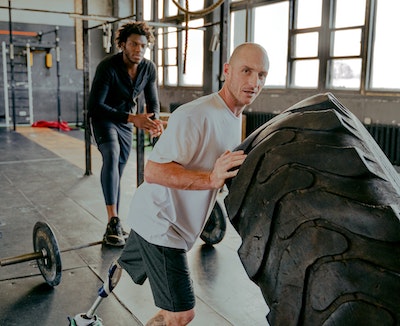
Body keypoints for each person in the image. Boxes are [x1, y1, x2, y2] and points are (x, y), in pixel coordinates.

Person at [116, 42, 270, 326]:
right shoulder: (195, 114)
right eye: (246, 71)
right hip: (161, 223)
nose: (254, 82)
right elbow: (153, 172)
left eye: (261, 74)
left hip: (176, 223)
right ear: (227, 71)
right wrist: (211, 179)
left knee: (164, 309)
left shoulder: (235, 117)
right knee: (181, 313)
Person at [88, 21, 164, 247]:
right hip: (104, 119)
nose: (138, 49)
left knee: (118, 169)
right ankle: (112, 220)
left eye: (142, 45)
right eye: (133, 44)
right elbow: (94, 106)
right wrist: (133, 119)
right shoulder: (108, 67)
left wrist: (154, 121)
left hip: (125, 123)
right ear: (123, 44)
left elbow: (152, 102)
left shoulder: (148, 68)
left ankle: (116, 221)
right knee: (111, 154)